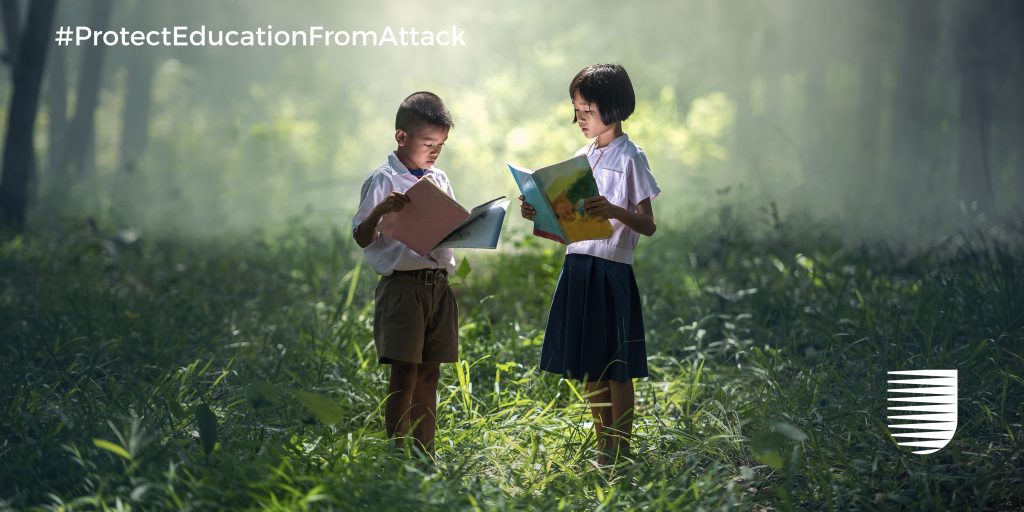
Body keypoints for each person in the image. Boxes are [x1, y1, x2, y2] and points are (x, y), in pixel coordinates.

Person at [520, 64, 660, 465]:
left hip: (611, 269)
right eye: (575, 110)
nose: (578, 119)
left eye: (585, 110)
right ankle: (604, 448)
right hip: (578, 265)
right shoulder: (582, 157)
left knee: (618, 365)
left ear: (612, 107)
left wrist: (614, 209)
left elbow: (647, 224)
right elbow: (567, 222)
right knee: (591, 365)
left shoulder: (631, 156)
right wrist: (540, 211)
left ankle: (623, 449)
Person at [352, 91, 458, 458]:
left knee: (430, 374)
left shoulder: (439, 179)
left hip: (438, 287)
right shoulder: (382, 180)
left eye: (441, 144)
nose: (434, 151)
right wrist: (381, 210)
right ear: (402, 136)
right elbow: (361, 237)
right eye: (428, 142)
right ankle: (399, 454)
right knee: (404, 376)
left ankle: (424, 451)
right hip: (403, 288)